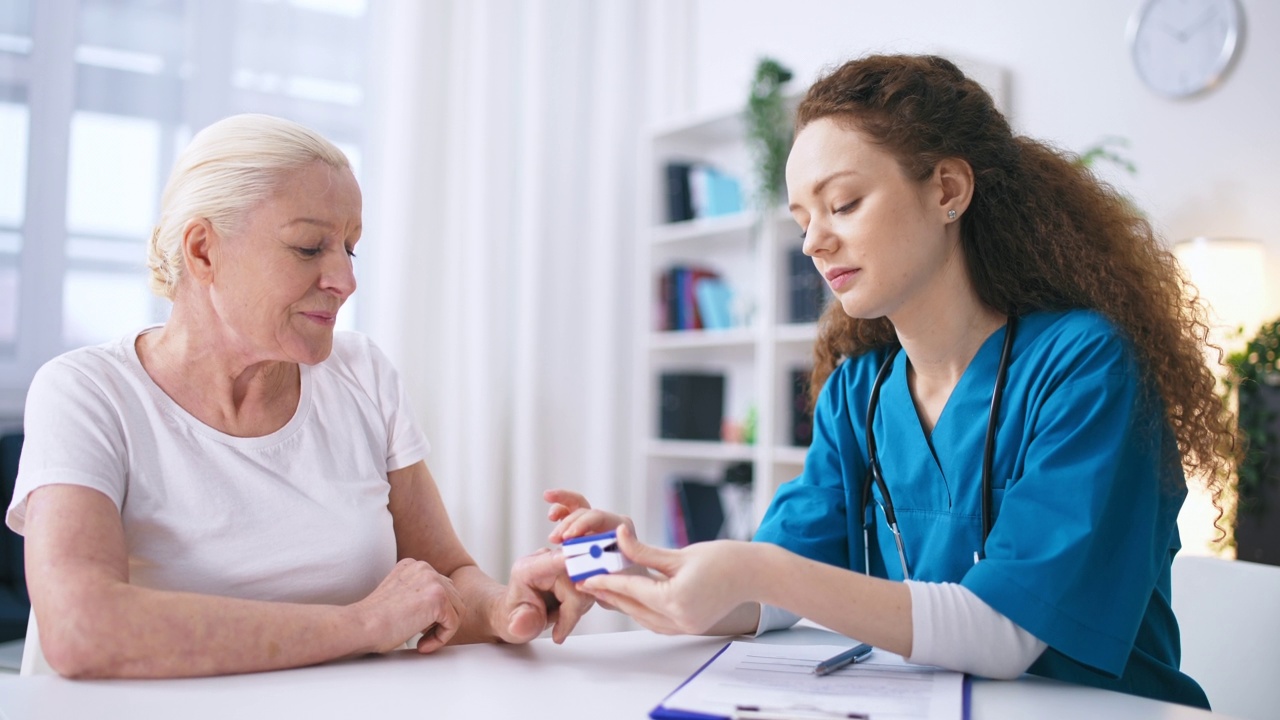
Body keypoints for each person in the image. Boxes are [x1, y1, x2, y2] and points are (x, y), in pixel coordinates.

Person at [547, 54, 1235, 709]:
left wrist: (753, 570)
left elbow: (1007, 631)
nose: (814, 242)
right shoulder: (860, 392)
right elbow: (778, 593)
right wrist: (638, 572)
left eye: (842, 203)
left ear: (947, 190)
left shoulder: (1083, 365)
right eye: (803, 220)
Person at [5, 113, 590, 678]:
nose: (345, 279)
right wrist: (361, 624)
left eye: (350, 247)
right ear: (204, 251)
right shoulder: (87, 393)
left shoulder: (362, 373)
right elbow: (83, 629)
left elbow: (445, 575)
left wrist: (502, 607)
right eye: (310, 247)